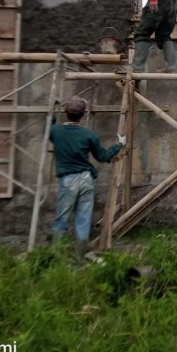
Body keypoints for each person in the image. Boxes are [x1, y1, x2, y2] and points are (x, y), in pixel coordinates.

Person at [50, 96, 126, 261]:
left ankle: (56, 259)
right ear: (83, 115)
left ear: (66, 113)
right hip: (86, 179)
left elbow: (49, 129)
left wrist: (53, 112)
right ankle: (79, 261)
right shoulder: (88, 135)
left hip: (68, 180)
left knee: (61, 220)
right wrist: (119, 144)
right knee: (83, 220)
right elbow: (103, 156)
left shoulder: (56, 131)